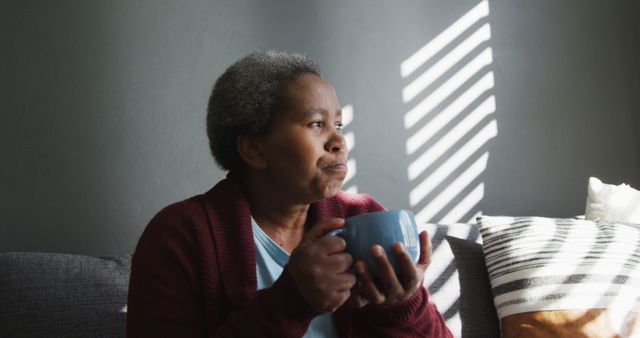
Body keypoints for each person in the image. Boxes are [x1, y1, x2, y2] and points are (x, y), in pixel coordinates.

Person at [127, 50, 453, 337]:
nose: (338, 141)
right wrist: (291, 302)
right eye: (315, 124)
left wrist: (404, 305)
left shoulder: (363, 217)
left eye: (338, 125)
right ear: (255, 149)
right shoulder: (180, 235)